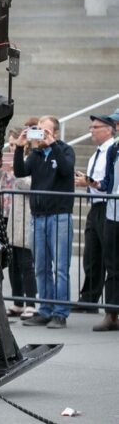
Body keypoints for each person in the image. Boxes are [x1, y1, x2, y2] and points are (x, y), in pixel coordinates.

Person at [14, 115, 76, 329]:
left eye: (45, 130)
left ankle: (60, 312)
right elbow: (20, 172)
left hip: (59, 216)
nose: (40, 134)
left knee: (60, 267)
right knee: (41, 267)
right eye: (38, 130)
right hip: (38, 216)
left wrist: (53, 144)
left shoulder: (65, 150)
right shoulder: (37, 154)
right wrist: (20, 148)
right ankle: (45, 309)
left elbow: (67, 170)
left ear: (55, 133)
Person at [73, 115, 116, 312]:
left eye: (96, 127)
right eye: (91, 126)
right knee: (91, 254)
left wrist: (88, 182)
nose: (91, 130)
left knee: (108, 255)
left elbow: (106, 183)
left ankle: (108, 303)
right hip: (95, 206)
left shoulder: (112, 151)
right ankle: (89, 297)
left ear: (109, 129)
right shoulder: (96, 154)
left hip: (107, 205)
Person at [0, 123, 38, 319]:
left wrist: (15, 174)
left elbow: (31, 183)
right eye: (11, 145)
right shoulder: (11, 161)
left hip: (25, 214)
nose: (12, 149)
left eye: (15, 145)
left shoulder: (30, 160)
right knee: (13, 260)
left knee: (25, 261)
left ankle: (31, 302)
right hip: (8, 214)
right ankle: (17, 302)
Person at [88, 116, 119, 331]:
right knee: (112, 264)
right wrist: (93, 183)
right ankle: (111, 313)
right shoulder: (113, 150)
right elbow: (108, 182)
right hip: (113, 213)